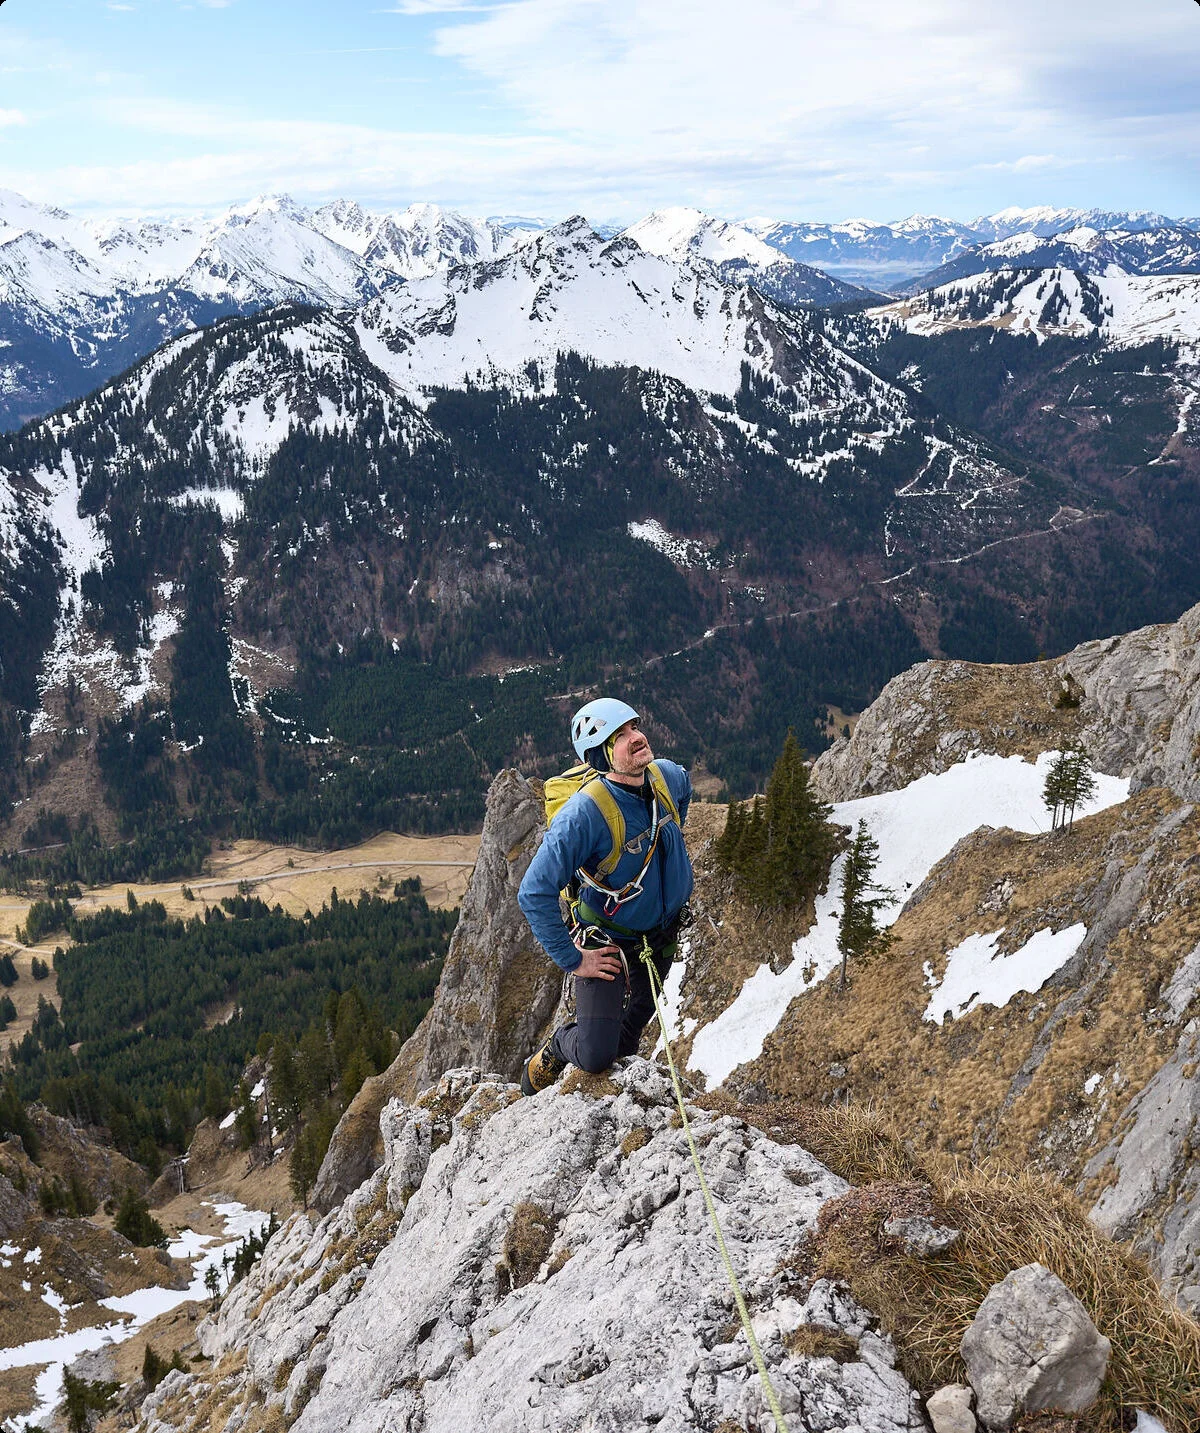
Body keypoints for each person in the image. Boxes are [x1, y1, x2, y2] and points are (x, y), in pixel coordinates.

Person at [517, 697, 694, 1094]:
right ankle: (558, 1048)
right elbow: (533, 892)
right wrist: (573, 959)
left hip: (660, 938)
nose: (636, 737)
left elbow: (684, 794)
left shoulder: (666, 777)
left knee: (627, 1043)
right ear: (601, 756)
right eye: (620, 736)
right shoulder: (584, 815)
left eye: (633, 726)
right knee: (597, 1054)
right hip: (607, 944)